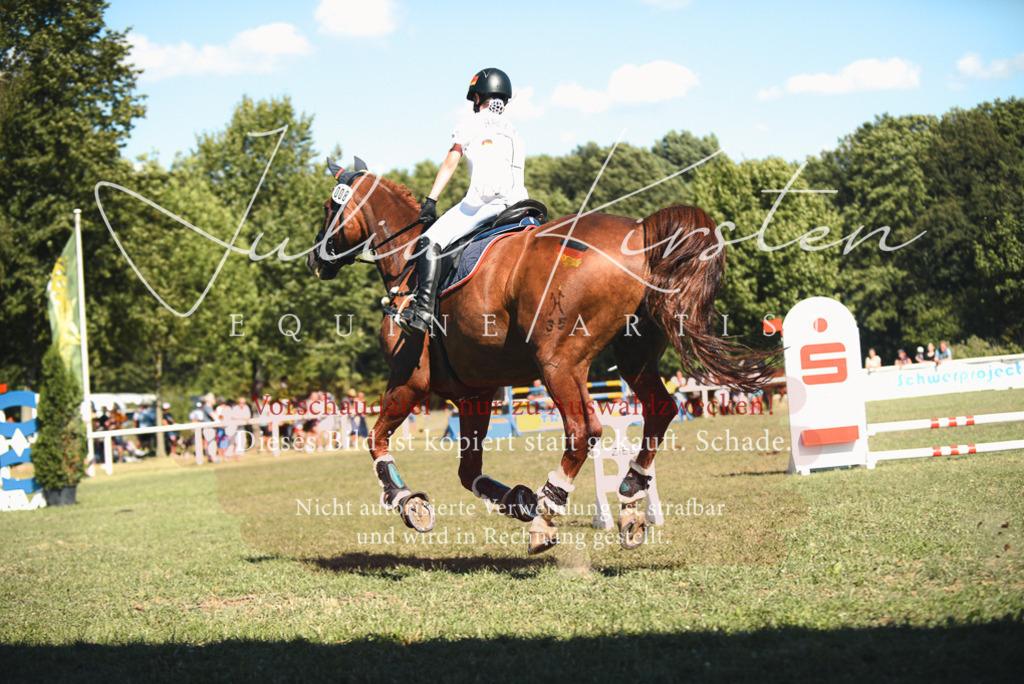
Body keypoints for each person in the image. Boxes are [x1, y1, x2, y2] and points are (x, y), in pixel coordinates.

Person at [396, 67, 527, 335]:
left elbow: (450, 162)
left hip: (484, 203)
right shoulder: (515, 131)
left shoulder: (470, 123)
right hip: (520, 204)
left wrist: (431, 200)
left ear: (479, 97)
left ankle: (421, 313)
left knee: (429, 241)